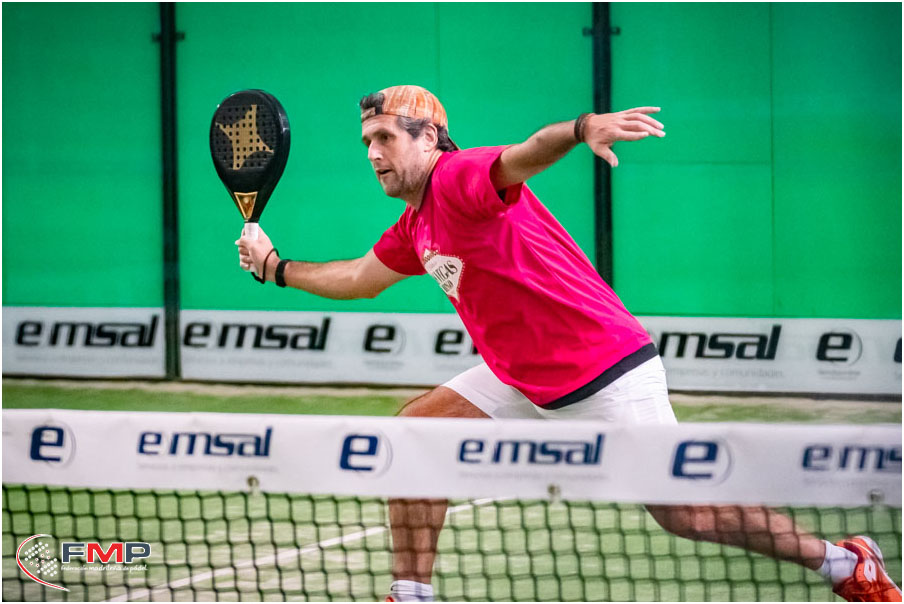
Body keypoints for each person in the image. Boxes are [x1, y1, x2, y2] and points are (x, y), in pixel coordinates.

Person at [236, 85, 901, 603]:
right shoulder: (416, 224)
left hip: (605, 369)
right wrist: (276, 267)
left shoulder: (459, 178)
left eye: (384, 137)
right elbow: (359, 278)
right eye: (366, 142)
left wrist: (582, 129)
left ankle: (844, 562)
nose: (373, 153)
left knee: (687, 514)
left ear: (428, 137)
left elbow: (525, 152)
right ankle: (410, 594)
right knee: (415, 434)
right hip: (520, 375)